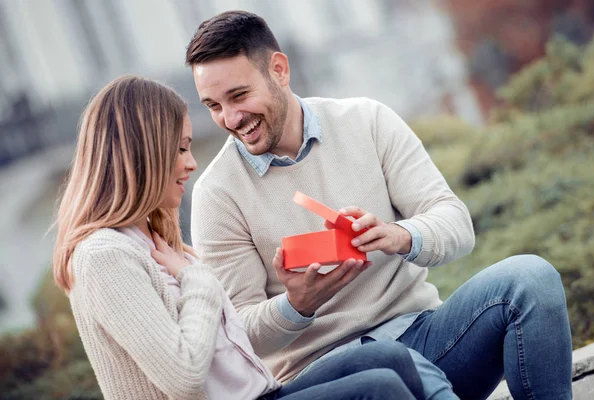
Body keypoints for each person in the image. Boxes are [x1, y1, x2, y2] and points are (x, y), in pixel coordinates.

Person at [186, 10, 573, 400]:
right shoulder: (217, 195)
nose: (231, 118)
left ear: (279, 70)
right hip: (332, 375)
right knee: (386, 362)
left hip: (425, 337)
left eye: (239, 95)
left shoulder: (366, 121)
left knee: (531, 278)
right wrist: (296, 305)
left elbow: (455, 223)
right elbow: (238, 335)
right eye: (213, 106)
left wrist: (399, 235)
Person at [51, 75, 429, 400]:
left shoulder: (152, 240)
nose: (191, 162)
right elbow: (182, 376)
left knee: (392, 358)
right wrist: (197, 280)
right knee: (379, 389)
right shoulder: (103, 255)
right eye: (180, 148)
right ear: (143, 153)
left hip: (261, 391)